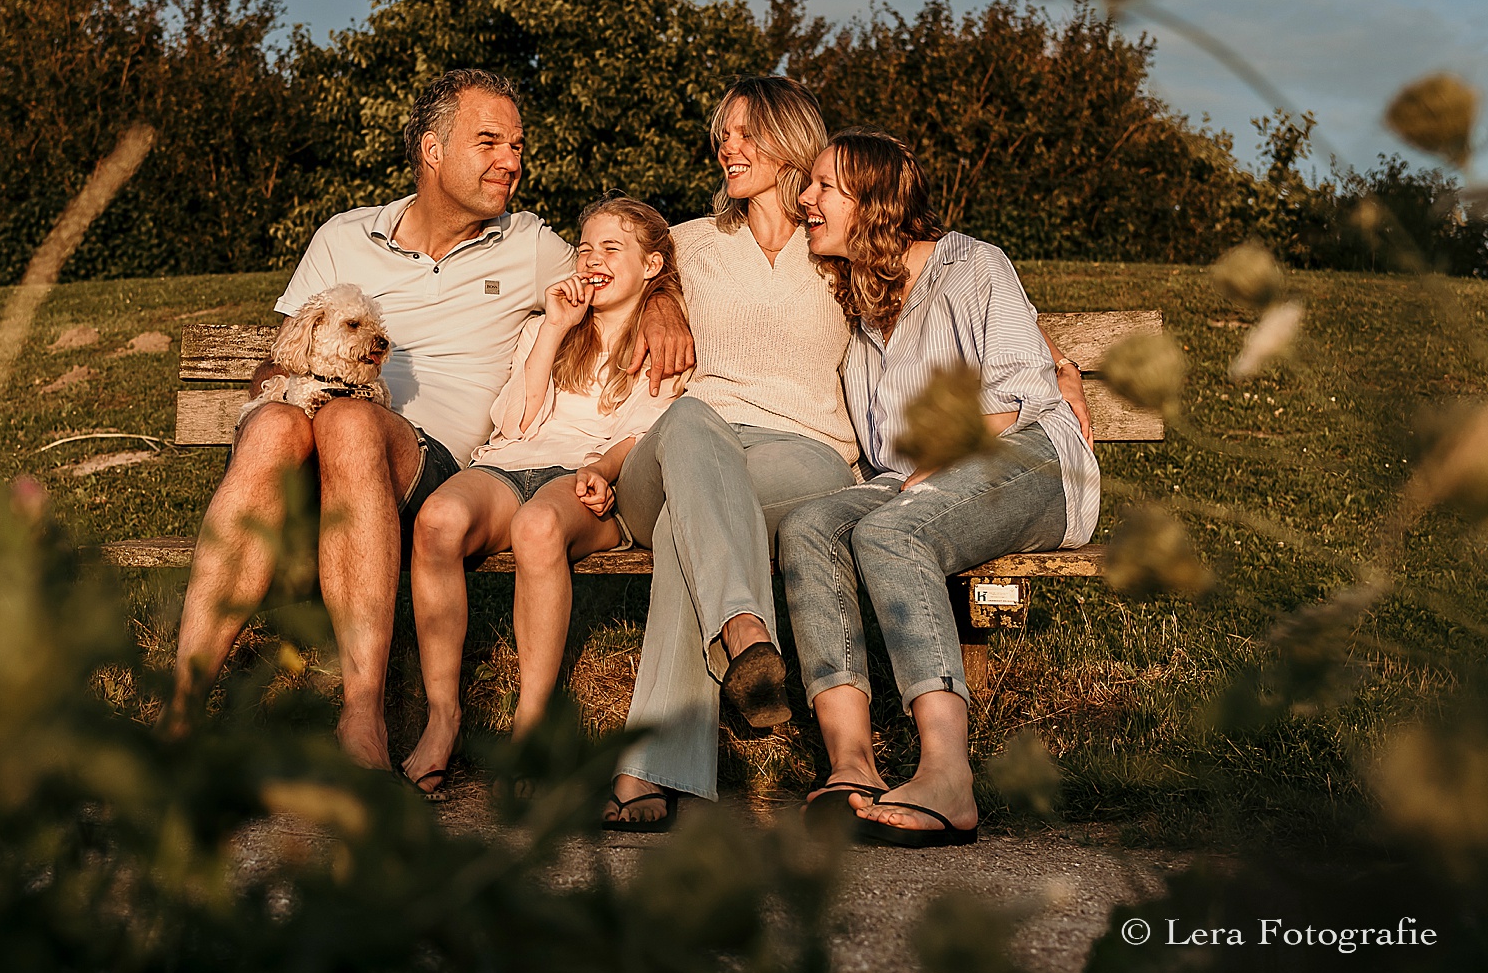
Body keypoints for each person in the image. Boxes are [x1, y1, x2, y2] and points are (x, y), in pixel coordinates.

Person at [167, 69, 695, 769]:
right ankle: (179, 711)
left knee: (351, 425)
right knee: (271, 424)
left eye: (517, 143)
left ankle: (363, 717)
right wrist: (285, 390)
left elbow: (617, 273)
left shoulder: (530, 244)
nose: (511, 159)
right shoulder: (343, 237)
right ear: (432, 148)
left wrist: (660, 302)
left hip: (425, 465)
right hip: (305, 448)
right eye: (489, 142)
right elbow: (279, 359)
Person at [778, 130, 1101, 848]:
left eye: (825, 186)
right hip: (908, 477)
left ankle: (948, 776)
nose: (806, 198)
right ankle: (851, 764)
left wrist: (1063, 369)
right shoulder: (854, 293)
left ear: (875, 201)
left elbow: (1018, 396)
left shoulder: (973, 264)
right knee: (809, 526)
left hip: (1030, 457)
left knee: (892, 531)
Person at [601, 77, 863, 830]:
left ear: (793, 143)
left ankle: (647, 766)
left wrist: (1057, 358)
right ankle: (748, 628)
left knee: (694, 532)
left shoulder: (837, 247)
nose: (728, 145)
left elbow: (947, 280)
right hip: (678, 453)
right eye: (723, 132)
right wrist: (655, 299)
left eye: (747, 132)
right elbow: (607, 274)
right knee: (689, 419)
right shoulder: (687, 243)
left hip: (800, 457)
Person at [402, 197, 687, 796]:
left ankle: (531, 729)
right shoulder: (547, 326)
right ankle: (441, 717)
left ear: (653, 265)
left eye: (612, 248)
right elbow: (515, 422)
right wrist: (555, 328)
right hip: (512, 464)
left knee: (537, 527)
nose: (592, 259)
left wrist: (604, 470)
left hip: (591, 477)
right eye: (584, 247)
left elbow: (649, 427)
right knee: (438, 521)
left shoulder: (666, 338)